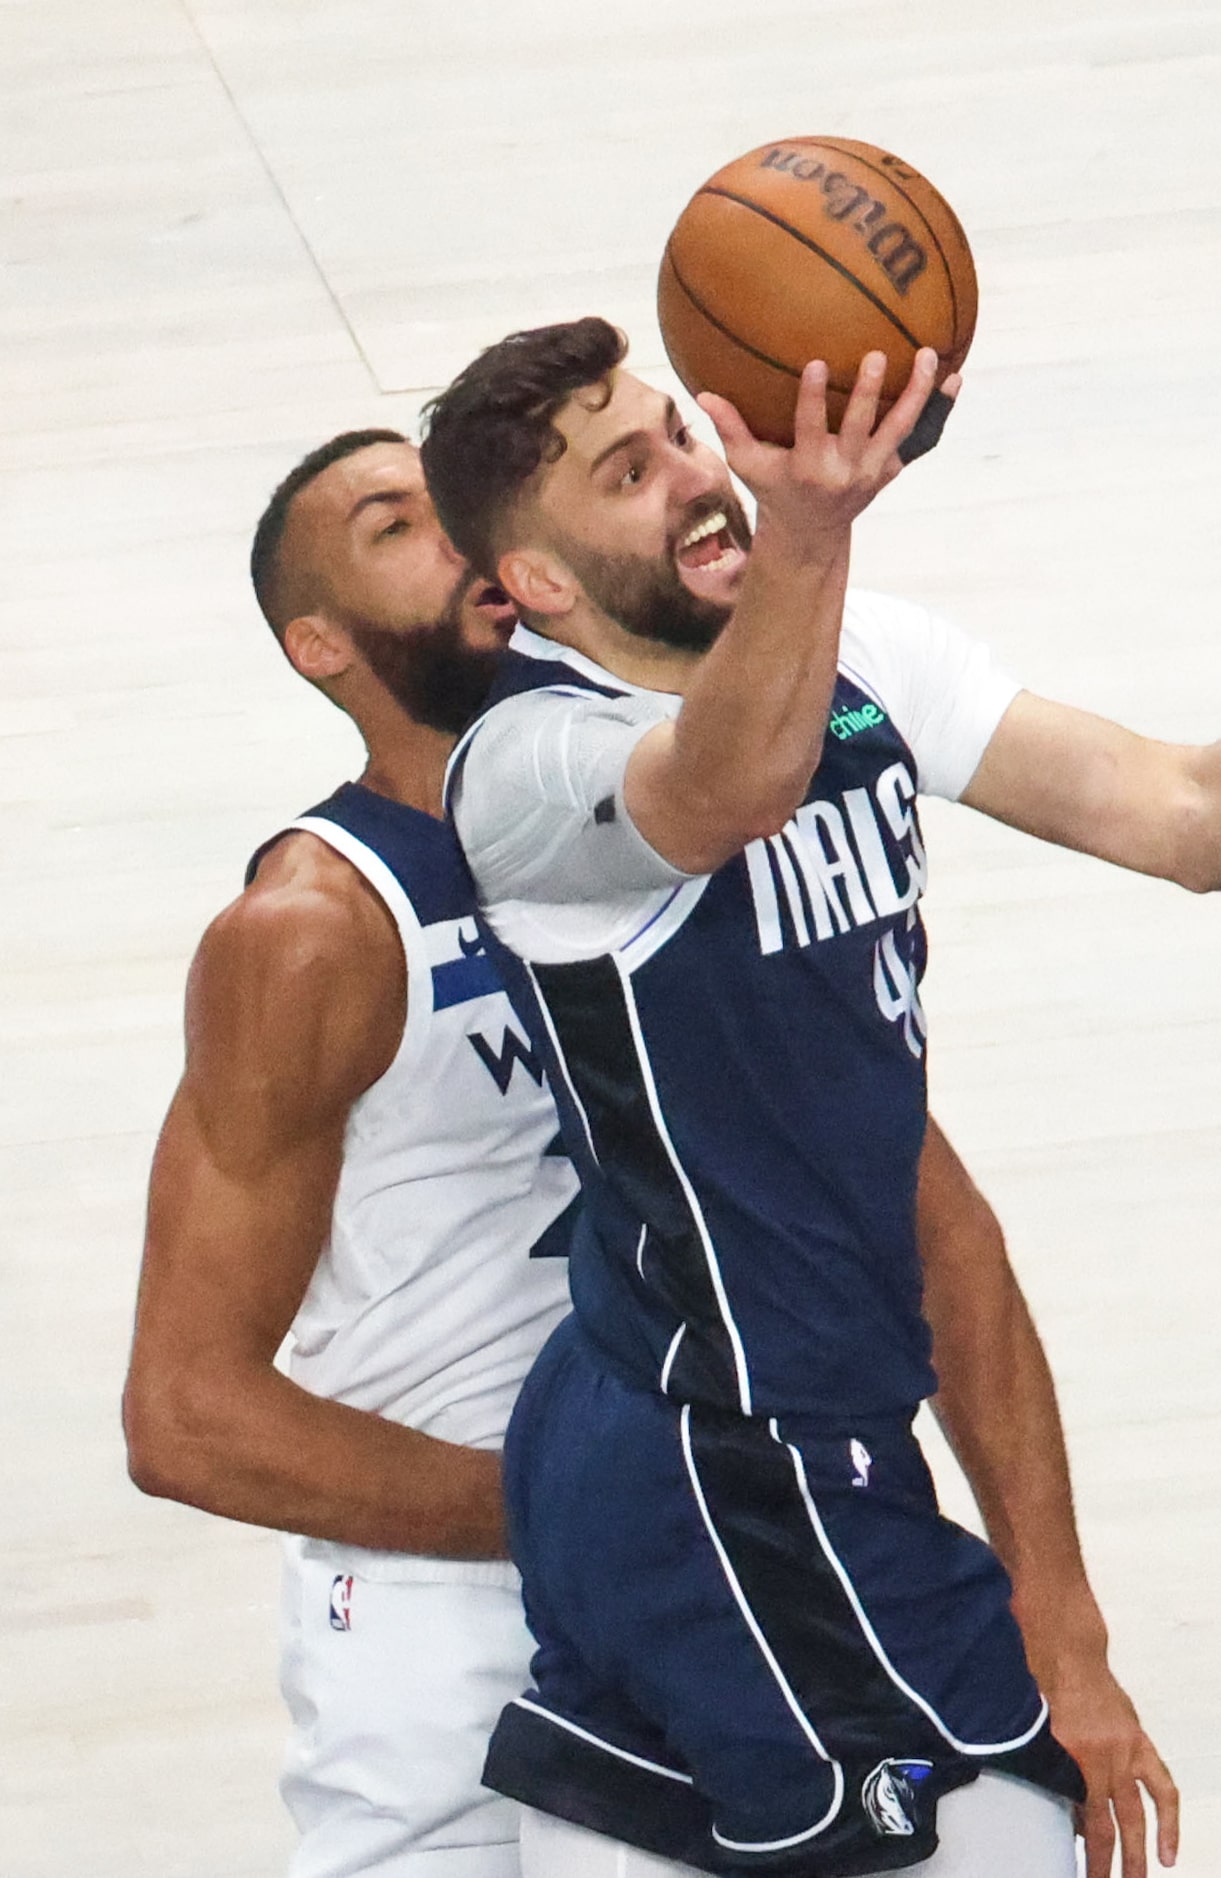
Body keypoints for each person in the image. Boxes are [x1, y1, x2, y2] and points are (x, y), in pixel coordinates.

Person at [417, 319, 1221, 1878]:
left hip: (712, 1424)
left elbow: (1190, 815)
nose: (698, 480)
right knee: (1018, 1829)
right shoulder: (532, 764)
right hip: (723, 1449)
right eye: (632, 474)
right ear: (539, 584)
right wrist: (811, 534)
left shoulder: (866, 653)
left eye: (682, 435)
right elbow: (724, 788)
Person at [123, 431, 583, 1878]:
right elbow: (185, 1414)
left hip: (689, 1573)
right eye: (400, 522)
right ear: (318, 645)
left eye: (461, 504)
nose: (456, 537)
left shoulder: (648, 820)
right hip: (451, 1623)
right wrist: (559, 1509)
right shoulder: (312, 930)